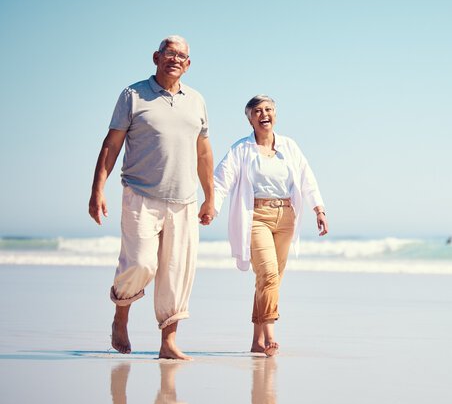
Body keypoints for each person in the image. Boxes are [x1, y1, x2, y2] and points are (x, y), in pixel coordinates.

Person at [89, 35, 214, 360]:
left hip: (184, 200)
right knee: (142, 263)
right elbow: (111, 144)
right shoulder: (133, 95)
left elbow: (203, 152)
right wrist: (97, 189)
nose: (175, 59)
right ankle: (121, 313)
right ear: (156, 57)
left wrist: (209, 196)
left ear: (188, 64)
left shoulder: (196, 100)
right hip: (140, 194)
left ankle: (168, 342)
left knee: (176, 272)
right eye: (169, 53)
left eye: (182, 55)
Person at [214, 95, 328, 356]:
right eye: (258, 111)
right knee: (268, 275)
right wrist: (213, 205)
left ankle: (256, 341)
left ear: (275, 114)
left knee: (271, 280)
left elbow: (307, 178)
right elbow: (222, 179)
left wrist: (318, 209)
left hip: (287, 217)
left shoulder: (289, 146)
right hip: (255, 217)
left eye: (269, 109)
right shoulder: (241, 149)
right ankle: (269, 336)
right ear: (249, 118)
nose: (264, 114)